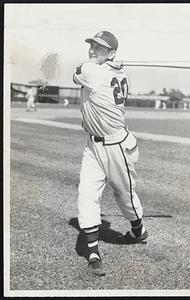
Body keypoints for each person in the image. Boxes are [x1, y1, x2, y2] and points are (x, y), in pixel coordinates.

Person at [73, 31, 148, 277]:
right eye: (92, 45)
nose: (93, 50)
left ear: (112, 53)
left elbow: (77, 73)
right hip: (94, 146)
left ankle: (138, 231)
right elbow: (83, 72)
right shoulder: (115, 71)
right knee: (86, 193)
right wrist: (111, 63)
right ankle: (93, 252)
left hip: (117, 146)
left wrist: (105, 64)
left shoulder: (93, 71)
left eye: (100, 47)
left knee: (124, 196)